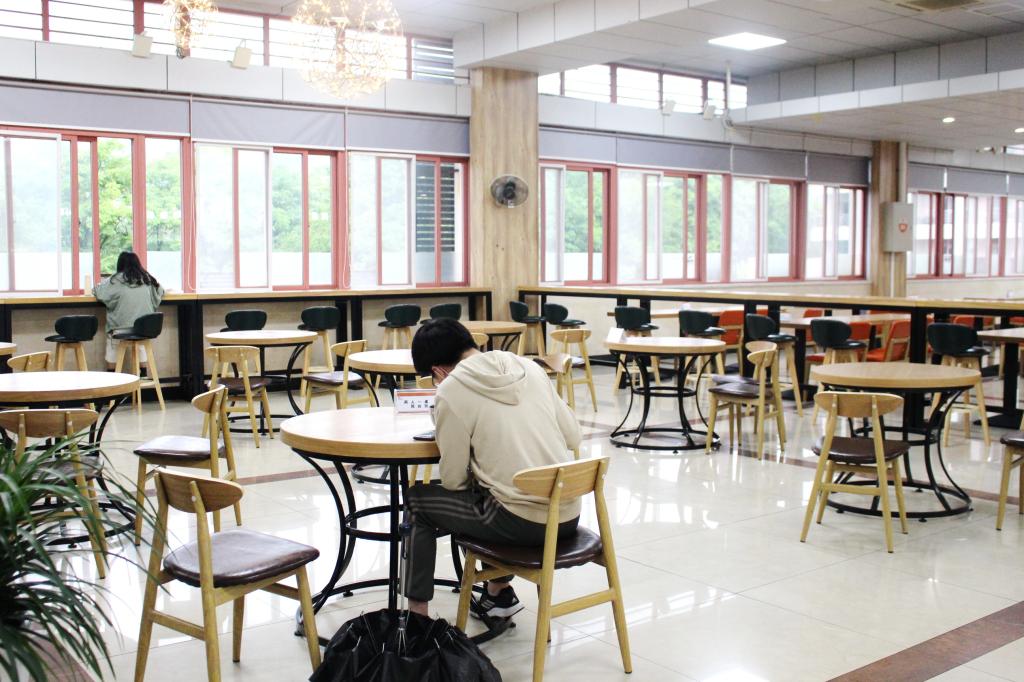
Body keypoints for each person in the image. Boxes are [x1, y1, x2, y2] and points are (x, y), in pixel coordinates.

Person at [405, 318, 582, 619]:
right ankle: (498, 591)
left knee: (418, 501)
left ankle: (416, 615)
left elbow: (454, 480)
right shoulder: (529, 367)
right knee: (490, 490)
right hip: (567, 514)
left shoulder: (451, 390)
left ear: (437, 370)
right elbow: (573, 436)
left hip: (522, 522)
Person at [93, 251, 164, 369]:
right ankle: (143, 375)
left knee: (113, 345)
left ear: (120, 265)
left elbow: (99, 292)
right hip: (145, 328)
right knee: (142, 344)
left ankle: (113, 376)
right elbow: (160, 292)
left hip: (121, 329)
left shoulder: (116, 280)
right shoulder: (147, 279)